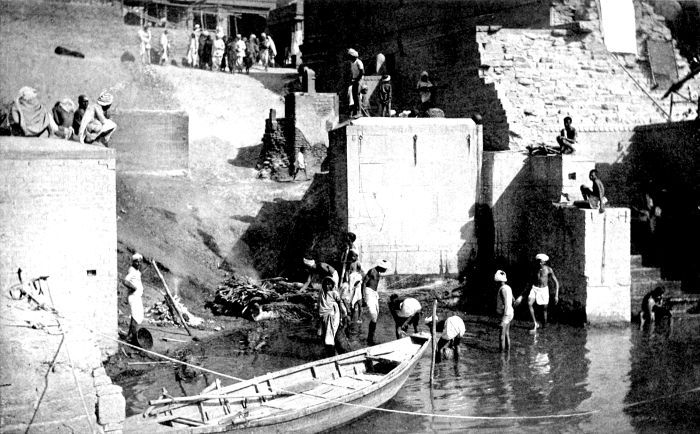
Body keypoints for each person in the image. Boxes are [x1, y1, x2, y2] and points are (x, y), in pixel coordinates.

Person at [514, 253, 560, 333]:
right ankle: (535, 323)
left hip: (544, 290)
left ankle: (544, 327)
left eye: (541, 262)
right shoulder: (534, 269)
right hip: (535, 288)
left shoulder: (548, 269)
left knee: (544, 310)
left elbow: (556, 282)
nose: (539, 263)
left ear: (544, 262)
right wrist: (521, 296)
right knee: (529, 303)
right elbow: (529, 283)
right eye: (538, 261)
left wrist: (556, 295)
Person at [318, 276, 348, 357]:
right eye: (326, 284)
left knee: (329, 337)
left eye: (329, 284)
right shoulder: (322, 293)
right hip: (324, 316)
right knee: (326, 336)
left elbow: (340, 304)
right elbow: (319, 306)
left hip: (332, 316)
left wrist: (342, 317)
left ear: (332, 285)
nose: (327, 286)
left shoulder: (334, 293)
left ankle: (332, 355)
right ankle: (333, 353)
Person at [362, 259, 390, 345]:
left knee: (376, 316)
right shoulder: (372, 271)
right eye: (385, 269)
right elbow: (364, 283)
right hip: (368, 292)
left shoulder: (378, 273)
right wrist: (363, 297)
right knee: (373, 316)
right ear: (381, 267)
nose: (385, 270)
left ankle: (370, 337)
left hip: (374, 293)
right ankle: (370, 339)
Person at [123, 253, 145, 344]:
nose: (138, 264)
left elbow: (138, 275)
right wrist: (133, 288)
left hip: (137, 297)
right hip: (134, 296)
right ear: (133, 262)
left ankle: (129, 335)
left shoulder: (137, 271)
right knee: (136, 316)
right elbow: (125, 281)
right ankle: (132, 337)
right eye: (136, 262)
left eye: (140, 262)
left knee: (135, 316)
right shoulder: (132, 270)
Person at [495, 270, 513, 351]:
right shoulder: (508, 287)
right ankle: (507, 352)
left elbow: (506, 303)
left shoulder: (502, 290)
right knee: (506, 334)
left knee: (501, 336)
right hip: (510, 313)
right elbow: (513, 299)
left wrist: (503, 318)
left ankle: (501, 355)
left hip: (505, 314)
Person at [347, 48, 364, 117]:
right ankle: (355, 111)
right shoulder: (352, 62)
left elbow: (362, 72)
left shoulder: (358, 62)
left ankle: (359, 112)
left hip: (359, 79)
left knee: (357, 95)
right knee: (354, 95)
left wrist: (357, 80)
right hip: (354, 80)